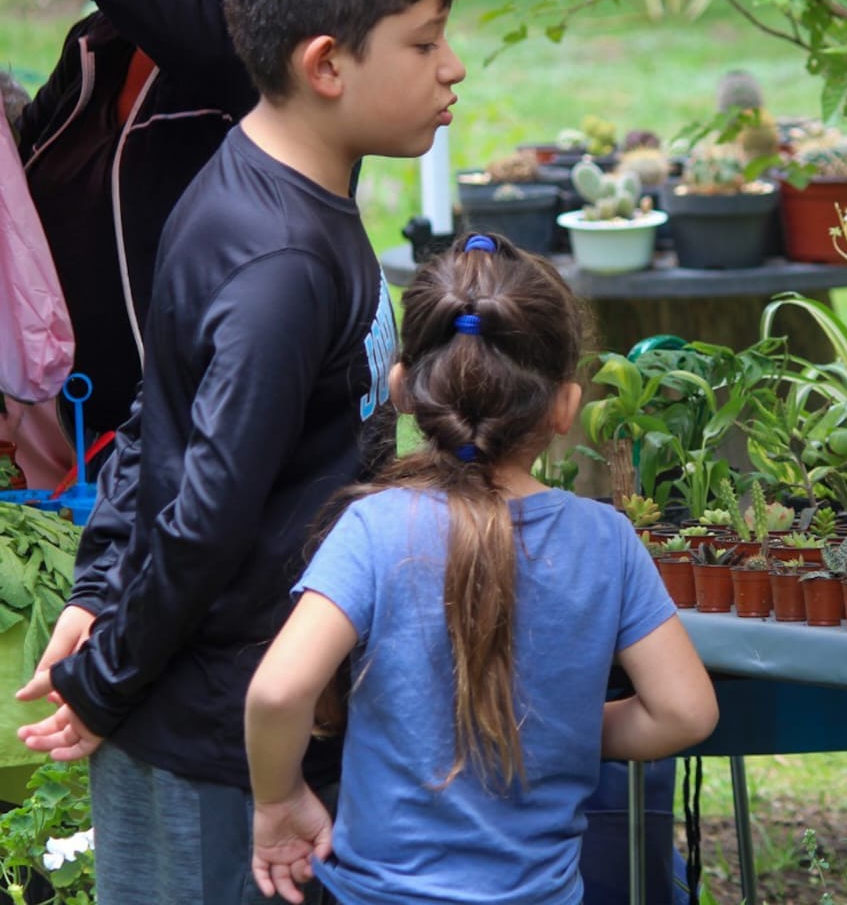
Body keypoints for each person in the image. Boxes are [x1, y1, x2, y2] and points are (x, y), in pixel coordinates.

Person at [15, 0, 465, 905]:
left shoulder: (266, 181)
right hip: (219, 739)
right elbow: (206, 512)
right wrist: (106, 676)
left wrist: (94, 593)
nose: (453, 69)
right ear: (326, 64)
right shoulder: (281, 264)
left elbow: (155, 412)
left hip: (252, 706)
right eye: (424, 40)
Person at [243, 232, 718, 905]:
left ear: (403, 388)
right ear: (565, 405)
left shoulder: (374, 530)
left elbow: (277, 693)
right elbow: (686, 712)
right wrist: (575, 726)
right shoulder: (605, 541)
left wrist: (278, 800)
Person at [0, 0, 254, 448]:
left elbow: (203, 37)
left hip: (203, 450)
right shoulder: (93, 50)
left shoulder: (256, 58)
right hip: (80, 453)